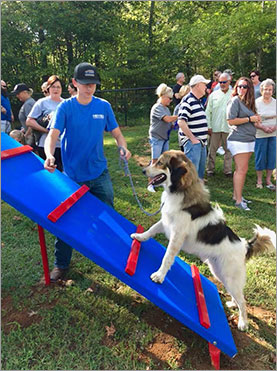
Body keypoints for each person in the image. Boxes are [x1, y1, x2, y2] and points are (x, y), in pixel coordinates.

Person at [44, 62, 131, 282]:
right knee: (66, 221)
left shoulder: (103, 106)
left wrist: (123, 146)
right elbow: (52, 136)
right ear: (74, 83)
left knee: (109, 215)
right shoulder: (65, 108)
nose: (89, 88)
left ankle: (114, 256)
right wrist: (49, 155)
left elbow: (118, 134)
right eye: (84, 83)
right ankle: (61, 265)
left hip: (99, 174)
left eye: (93, 84)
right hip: (72, 176)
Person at [227, 76, 261, 211]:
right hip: (238, 139)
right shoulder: (235, 101)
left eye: (245, 87)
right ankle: (239, 202)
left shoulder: (248, 102)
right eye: (239, 86)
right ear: (236, 87)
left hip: (248, 139)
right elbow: (230, 120)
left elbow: (252, 120)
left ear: (249, 89)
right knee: (241, 170)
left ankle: (237, 196)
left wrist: (256, 120)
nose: (242, 89)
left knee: (242, 170)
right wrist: (249, 119)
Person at [26, 75, 64, 171]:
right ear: (48, 88)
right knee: (50, 172)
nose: (56, 89)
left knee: (63, 173)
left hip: (63, 144)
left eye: (58, 87)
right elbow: (29, 121)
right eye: (53, 87)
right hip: (45, 144)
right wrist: (46, 131)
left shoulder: (65, 103)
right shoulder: (42, 102)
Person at [177, 74, 210, 180]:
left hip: (200, 143)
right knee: (191, 174)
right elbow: (181, 122)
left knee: (198, 175)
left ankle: (197, 194)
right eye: (204, 84)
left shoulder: (198, 101)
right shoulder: (188, 100)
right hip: (193, 144)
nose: (206, 87)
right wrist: (192, 139)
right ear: (198, 86)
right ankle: (189, 195)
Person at [148, 83, 178, 192]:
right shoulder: (157, 108)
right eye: (169, 98)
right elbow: (167, 119)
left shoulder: (166, 108)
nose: (171, 100)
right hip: (157, 138)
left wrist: (175, 125)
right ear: (163, 96)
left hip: (164, 138)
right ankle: (150, 184)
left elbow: (169, 123)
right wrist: (180, 116)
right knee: (155, 161)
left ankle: (161, 181)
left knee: (165, 161)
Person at [206, 72, 232, 177]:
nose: (222, 84)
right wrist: (209, 126)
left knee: (228, 150)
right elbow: (208, 111)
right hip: (215, 127)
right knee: (212, 150)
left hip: (228, 127)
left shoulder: (234, 94)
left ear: (229, 81)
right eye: (220, 82)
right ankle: (210, 170)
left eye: (224, 82)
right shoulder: (213, 95)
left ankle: (228, 170)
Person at [254, 78, 276, 190]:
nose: (267, 91)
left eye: (270, 89)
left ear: (273, 91)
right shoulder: (256, 102)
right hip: (260, 133)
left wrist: (274, 127)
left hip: (273, 134)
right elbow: (254, 119)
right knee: (260, 156)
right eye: (265, 89)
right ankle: (259, 180)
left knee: (272, 157)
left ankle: (268, 180)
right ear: (261, 90)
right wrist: (263, 127)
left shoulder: (275, 102)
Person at [11, 83, 36, 147]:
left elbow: (32, 122)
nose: (17, 96)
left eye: (18, 93)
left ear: (25, 92)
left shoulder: (29, 104)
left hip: (32, 137)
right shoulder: (28, 103)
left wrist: (26, 136)